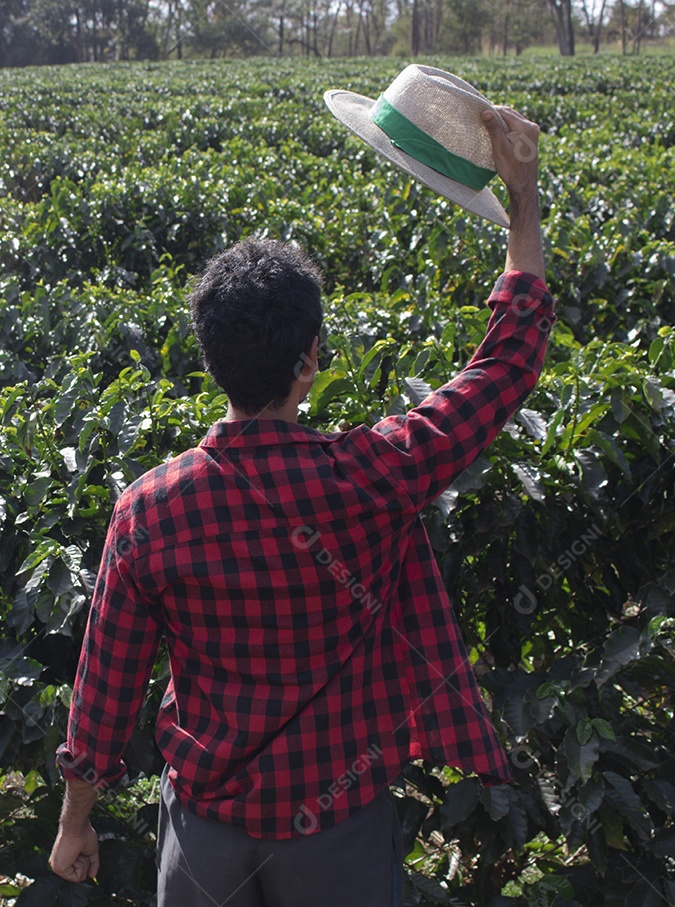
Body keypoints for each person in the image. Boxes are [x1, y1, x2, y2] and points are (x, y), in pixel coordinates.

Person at [49, 105, 552, 906]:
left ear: (212, 361)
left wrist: (76, 819)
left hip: (208, 832)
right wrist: (522, 206)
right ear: (310, 359)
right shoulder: (374, 475)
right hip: (338, 836)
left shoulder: (150, 510)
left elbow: (105, 688)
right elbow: (505, 367)